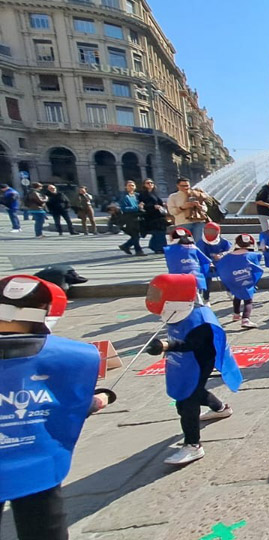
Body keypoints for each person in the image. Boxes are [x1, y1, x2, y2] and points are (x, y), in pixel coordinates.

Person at [0, 275, 112, 539]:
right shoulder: (75, 356)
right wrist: (98, 400)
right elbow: (68, 406)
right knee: (43, 526)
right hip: (35, 463)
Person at [143, 273, 240, 465]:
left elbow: (192, 344)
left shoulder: (201, 318)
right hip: (184, 361)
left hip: (199, 361)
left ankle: (193, 445)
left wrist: (166, 345)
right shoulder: (178, 310)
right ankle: (221, 408)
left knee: (186, 402)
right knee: (195, 391)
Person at [215, 234, 264, 328]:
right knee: (248, 300)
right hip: (245, 279)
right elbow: (257, 264)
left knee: (237, 296)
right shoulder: (252, 255)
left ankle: (236, 314)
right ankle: (246, 319)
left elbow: (220, 264)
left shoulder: (228, 256)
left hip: (232, 280)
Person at [164, 228, 213, 306]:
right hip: (195, 277)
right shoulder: (192, 247)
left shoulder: (168, 250)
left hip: (177, 278)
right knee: (196, 296)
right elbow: (205, 260)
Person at [137, 179, 168, 253]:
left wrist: (163, 205)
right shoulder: (143, 194)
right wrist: (153, 206)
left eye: (151, 183)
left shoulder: (154, 193)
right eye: (148, 183)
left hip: (159, 215)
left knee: (160, 231)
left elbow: (159, 202)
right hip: (151, 215)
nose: (150, 184)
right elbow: (143, 205)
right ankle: (160, 248)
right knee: (158, 232)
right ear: (144, 185)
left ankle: (154, 245)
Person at [115, 181, 144, 255]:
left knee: (137, 235)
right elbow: (124, 208)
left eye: (132, 185)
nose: (131, 187)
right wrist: (137, 207)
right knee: (135, 235)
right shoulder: (125, 197)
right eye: (129, 185)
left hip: (137, 217)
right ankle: (138, 250)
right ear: (126, 187)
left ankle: (125, 246)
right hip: (129, 218)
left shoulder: (137, 195)